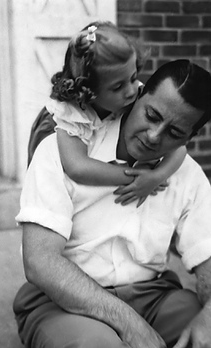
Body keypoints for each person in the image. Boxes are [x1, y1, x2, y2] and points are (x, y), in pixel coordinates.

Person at [13, 59, 211, 348]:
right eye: (152, 115)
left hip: (155, 298)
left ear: (189, 139)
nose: (154, 136)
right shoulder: (62, 152)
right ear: (137, 96)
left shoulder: (186, 174)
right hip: (64, 302)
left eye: (174, 133)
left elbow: (207, 255)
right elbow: (40, 262)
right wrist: (130, 324)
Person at [35, 21, 185, 207]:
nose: (131, 90)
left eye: (132, 77)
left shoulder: (134, 96)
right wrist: (133, 178)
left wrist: (156, 176)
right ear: (89, 91)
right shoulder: (72, 112)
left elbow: (179, 149)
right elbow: (77, 167)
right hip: (52, 136)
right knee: (48, 188)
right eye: (118, 87)